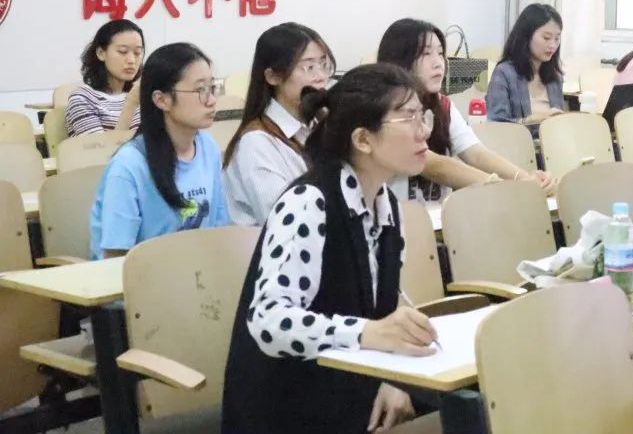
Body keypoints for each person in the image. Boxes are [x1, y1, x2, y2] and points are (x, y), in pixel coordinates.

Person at [222, 64, 440, 433]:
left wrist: (394, 379)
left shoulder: (386, 204)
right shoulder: (308, 202)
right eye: (408, 118)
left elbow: (381, 313)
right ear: (363, 139)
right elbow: (269, 321)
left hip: (350, 398)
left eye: (423, 116)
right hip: (287, 412)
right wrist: (368, 334)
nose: (423, 132)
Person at [377, 19, 551, 200]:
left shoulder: (443, 106)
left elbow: (476, 154)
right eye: (426, 54)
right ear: (399, 60)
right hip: (399, 216)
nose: (438, 63)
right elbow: (436, 166)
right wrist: (506, 187)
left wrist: (523, 178)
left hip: (441, 215)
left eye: (440, 53)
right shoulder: (387, 112)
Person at [88, 43, 229, 259]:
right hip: (140, 277)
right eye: (200, 90)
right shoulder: (129, 165)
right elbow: (116, 256)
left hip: (198, 273)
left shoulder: (208, 147)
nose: (211, 100)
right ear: (161, 99)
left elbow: (219, 230)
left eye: (212, 88)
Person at [223, 23, 336, 226]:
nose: (320, 77)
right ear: (273, 76)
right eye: (309, 67)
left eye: (324, 64)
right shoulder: (256, 143)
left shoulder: (320, 123)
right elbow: (285, 221)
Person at [486, 3, 566, 127]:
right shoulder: (504, 73)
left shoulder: (555, 78)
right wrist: (534, 120)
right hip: (517, 139)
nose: (553, 45)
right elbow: (496, 123)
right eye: (546, 38)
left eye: (557, 38)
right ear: (526, 36)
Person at [66, 19, 145, 136]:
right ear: (101, 53)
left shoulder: (142, 95)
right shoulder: (82, 99)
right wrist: (131, 104)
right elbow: (100, 147)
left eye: (137, 53)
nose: (132, 60)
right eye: (123, 52)